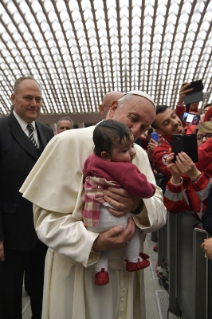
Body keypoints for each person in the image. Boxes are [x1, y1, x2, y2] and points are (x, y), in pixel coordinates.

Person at [20, 90, 167, 319]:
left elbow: (159, 208)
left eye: (145, 127)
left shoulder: (138, 153)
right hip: (79, 272)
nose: (136, 131)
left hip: (127, 271)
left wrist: (138, 206)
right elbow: (45, 222)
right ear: (114, 107)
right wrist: (95, 241)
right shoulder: (67, 142)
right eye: (134, 118)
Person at [0, 76, 54, 319]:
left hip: (44, 231)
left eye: (38, 99)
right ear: (13, 99)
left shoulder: (46, 132)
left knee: (44, 293)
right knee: (8, 296)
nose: (34, 103)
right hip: (10, 234)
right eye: (28, 98)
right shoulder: (1, 129)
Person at [83, 120, 156, 285]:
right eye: (125, 150)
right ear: (106, 156)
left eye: (132, 146)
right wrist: (150, 188)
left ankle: (101, 271)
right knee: (136, 230)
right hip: (114, 217)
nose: (132, 153)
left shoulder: (91, 160)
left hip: (92, 219)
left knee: (102, 244)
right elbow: (143, 189)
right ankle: (133, 260)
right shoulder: (126, 168)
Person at [164, 121, 212, 219]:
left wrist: (195, 175)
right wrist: (176, 177)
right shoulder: (187, 171)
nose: (204, 140)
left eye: (209, 136)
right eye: (199, 138)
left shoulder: (191, 171)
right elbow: (173, 207)